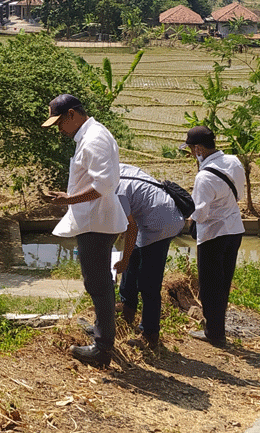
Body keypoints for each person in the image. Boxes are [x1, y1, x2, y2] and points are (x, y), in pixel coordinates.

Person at [41, 94, 128, 367]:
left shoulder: (94, 139)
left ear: (71, 114)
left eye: (59, 123)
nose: (59, 130)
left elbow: (103, 185)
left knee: (98, 283)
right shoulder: (90, 136)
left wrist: (68, 199)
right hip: (93, 219)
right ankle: (103, 331)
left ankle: (102, 349)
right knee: (98, 282)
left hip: (96, 222)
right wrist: (71, 197)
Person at [181, 125, 244, 348]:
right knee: (224, 282)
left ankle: (214, 333)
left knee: (209, 285)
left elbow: (201, 213)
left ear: (198, 149)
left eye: (191, 150)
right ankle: (218, 330)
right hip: (234, 230)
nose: (190, 154)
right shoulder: (234, 162)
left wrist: (185, 215)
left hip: (213, 235)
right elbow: (241, 194)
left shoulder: (204, 178)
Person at [114, 163, 186, 348]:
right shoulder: (121, 168)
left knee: (148, 282)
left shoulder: (117, 190)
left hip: (161, 223)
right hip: (158, 215)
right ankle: (127, 311)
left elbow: (130, 229)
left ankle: (150, 334)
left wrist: (123, 259)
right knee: (132, 266)